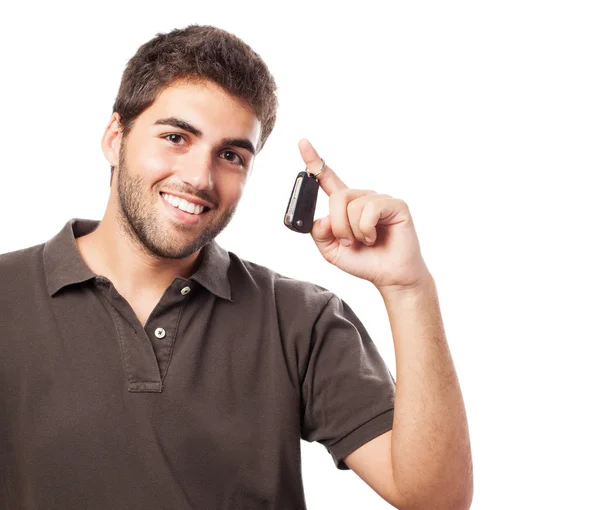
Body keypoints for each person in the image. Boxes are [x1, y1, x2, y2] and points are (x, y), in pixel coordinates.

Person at [0, 25, 472, 509]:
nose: (199, 178)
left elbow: (435, 498)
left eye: (230, 155)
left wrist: (408, 289)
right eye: (176, 137)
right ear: (115, 137)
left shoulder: (299, 318)